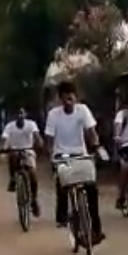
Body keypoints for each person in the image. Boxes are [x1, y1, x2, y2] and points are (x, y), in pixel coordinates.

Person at [44, 81, 105, 244]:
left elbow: (91, 132)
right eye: (64, 99)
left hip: (80, 154)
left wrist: (97, 147)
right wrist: (51, 157)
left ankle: (96, 229)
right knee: (63, 183)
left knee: (92, 188)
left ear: (76, 98)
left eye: (71, 99)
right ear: (60, 99)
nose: (68, 102)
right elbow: (49, 139)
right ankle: (62, 217)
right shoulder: (53, 115)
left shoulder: (83, 110)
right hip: (61, 155)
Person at [0, 108, 42, 217]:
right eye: (17, 113)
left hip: (28, 150)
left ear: (25, 114)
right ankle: (13, 178)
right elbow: (4, 139)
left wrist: (40, 143)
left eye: (22, 113)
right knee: (12, 157)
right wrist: (1, 148)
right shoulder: (9, 126)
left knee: (33, 175)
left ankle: (34, 200)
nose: (20, 115)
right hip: (14, 150)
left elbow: (37, 136)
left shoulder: (31, 124)